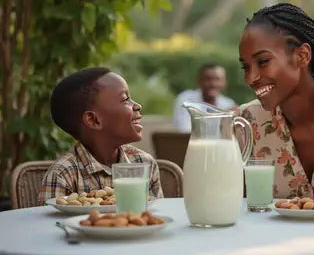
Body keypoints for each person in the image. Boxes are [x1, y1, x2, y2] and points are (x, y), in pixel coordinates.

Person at [239, 3, 314, 199]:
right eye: (245, 67)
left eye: (263, 62)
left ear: (302, 56)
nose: (250, 78)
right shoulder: (246, 122)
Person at [38, 67, 163, 204]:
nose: (138, 106)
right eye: (125, 99)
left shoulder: (143, 163)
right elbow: (49, 224)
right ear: (93, 120)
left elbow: (155, 213)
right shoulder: (62, 175)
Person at [172, 63, 236, 133]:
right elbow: (184, 130)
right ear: (199, 81)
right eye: (208, 79)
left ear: (224, 82)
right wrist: (222, 120)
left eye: (217, 79)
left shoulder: (228, 104)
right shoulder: (185, 99)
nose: (213, 84)